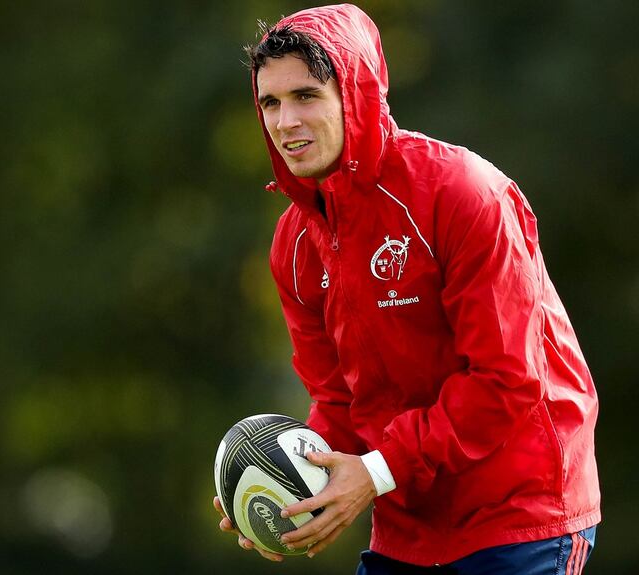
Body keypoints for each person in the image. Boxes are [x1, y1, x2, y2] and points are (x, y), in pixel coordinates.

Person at [213, 4, 601, 573]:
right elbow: (339, 402)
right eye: (269, 102)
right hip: (408, 526)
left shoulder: (463, 194)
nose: (284, 121)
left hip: (521, 514)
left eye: (306, 96)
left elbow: (506, 382)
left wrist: (372, 472)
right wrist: (295, 487)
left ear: (356, 92)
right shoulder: (293, 244)